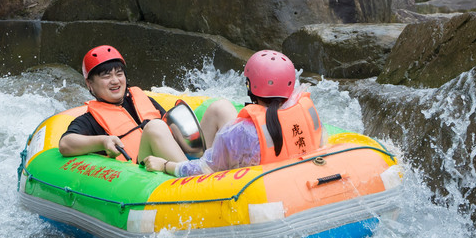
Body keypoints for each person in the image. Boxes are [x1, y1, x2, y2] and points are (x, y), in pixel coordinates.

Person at [143, 50, 325, 177]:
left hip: (232, 186)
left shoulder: (241, 132)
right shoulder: (307, 112)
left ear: (250, 87)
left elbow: (203, 171)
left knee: (153, 128)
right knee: (220, 107)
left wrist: (165, 165)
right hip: (287, 177)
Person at [58, 45, 188, 164]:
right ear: (89, 84)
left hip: (169, 162)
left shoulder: (145, 100)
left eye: (119, 74)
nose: (115, 81)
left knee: (200, 114)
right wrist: (103, 141)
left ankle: (194, 171)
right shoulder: (89, 120)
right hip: (141, 169)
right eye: (106, 76)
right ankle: (192, 173)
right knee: (155, 126)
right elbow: (65, 144)